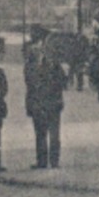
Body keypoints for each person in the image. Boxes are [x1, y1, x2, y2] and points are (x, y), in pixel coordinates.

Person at [23, 27, 66, 169]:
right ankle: (42, 161)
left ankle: (54, 161)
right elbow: (29, 84)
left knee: (54, 134)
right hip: (38, 103)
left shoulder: (55, 65)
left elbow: (62, 82)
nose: (37, 49)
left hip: (52, 102)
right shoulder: (30, 65)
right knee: (40, 134)